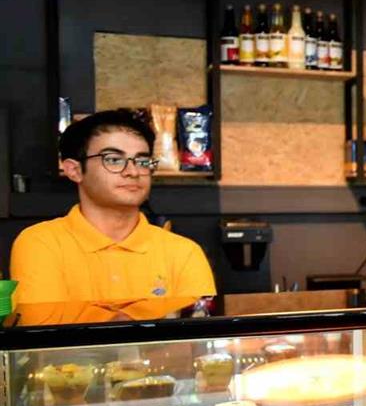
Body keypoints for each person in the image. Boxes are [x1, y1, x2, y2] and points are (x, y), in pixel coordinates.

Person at [10, 110, 216, 304]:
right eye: (114, 160)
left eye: (142, 161)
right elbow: (45, 328)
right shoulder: (41, 243)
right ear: (74, 170)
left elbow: (198, 327)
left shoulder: (183, 252)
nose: (133, 171)